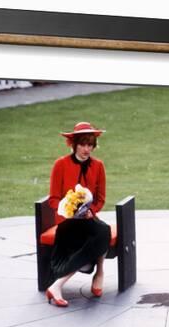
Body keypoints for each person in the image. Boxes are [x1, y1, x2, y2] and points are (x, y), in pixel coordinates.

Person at [45, 122, 111, 307]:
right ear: (74, 145)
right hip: (68, 223)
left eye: (90, 145)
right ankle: (62, 284)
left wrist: (91, 211)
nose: (86, 149)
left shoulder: (98, 166)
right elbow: (53, 199)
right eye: (82, 144)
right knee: (101, 231)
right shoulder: (61, 164)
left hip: (89, 220)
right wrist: (68, 211)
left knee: (102, 230)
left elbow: (100, 199)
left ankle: (99, 273)